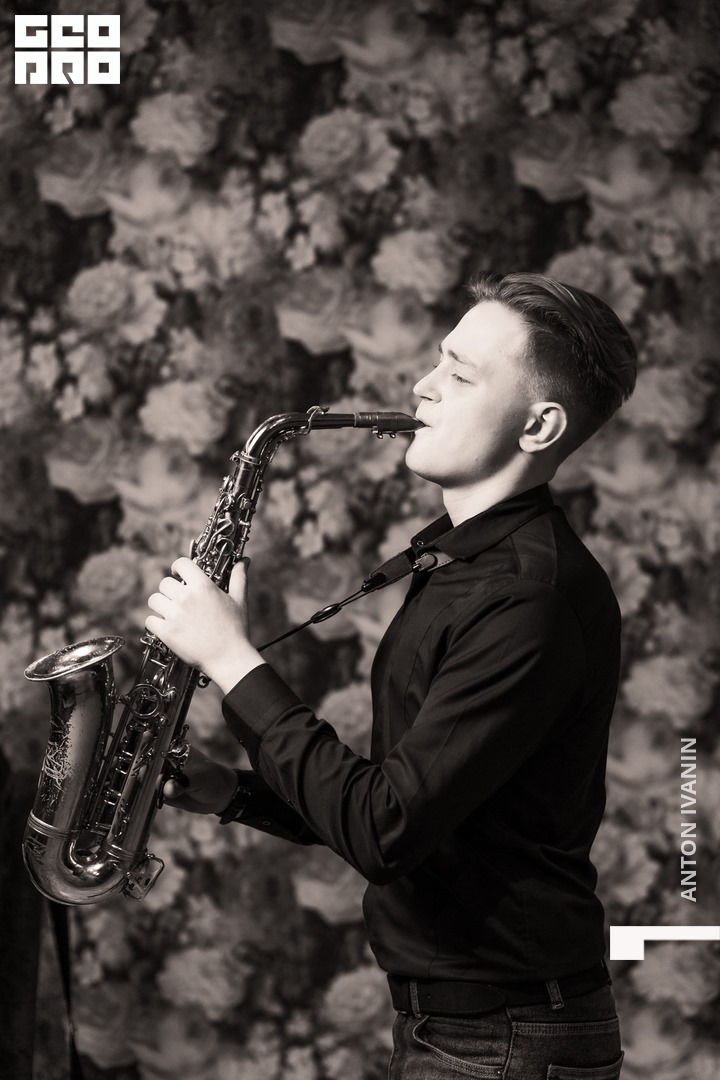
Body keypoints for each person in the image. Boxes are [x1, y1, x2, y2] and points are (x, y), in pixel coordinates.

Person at [146, 272, 637, 1079]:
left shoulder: (527, 599)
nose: (422, 386)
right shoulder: (462, 564)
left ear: (539, 425)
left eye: (460, 375)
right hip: (474, 1032)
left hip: (504, 1041)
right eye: (437, 360)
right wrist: (231, 791)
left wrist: (231, 660)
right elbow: (404, 804)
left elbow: (385, 830)